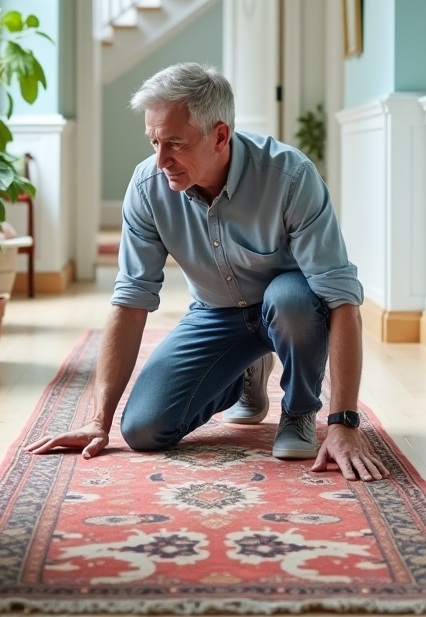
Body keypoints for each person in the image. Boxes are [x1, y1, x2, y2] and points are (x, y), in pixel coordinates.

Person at [26, 63, 389, 482]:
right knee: (143, 430)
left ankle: (299, 410)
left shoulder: (290, 177)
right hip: (215, 314)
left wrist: (343, 422)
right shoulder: (147, 187)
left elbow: (342, 299)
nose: (161, 160)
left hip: (289, 309)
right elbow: (130, 300)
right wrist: (99, 421)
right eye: (154, 142)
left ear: (220, 135)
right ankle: (245, 372)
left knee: (290, 300)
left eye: (175, 144)